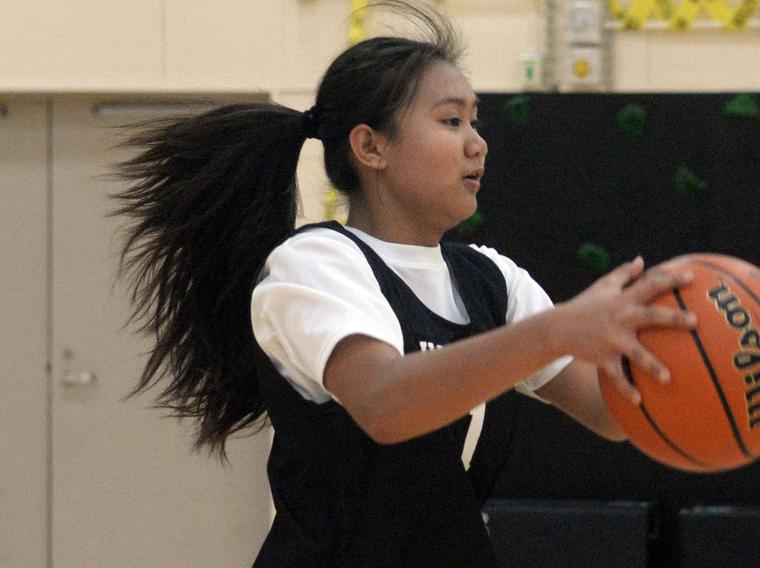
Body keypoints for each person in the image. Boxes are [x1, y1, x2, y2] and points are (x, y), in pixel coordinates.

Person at [112, 1, 696, 566]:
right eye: (450, 121)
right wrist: (556, 331)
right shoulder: (315, 263)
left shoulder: (492, 280)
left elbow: (611, 413)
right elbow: (384, 404)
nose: (477, 143)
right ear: (370, 146)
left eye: (475, 121)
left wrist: (693, 358)